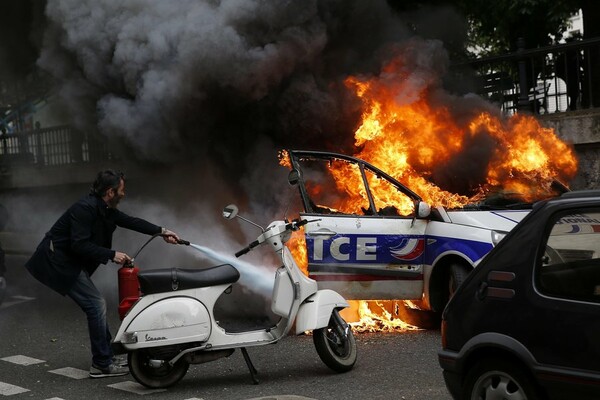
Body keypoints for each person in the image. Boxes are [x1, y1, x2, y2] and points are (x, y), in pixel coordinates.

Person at [25, 170, 181, 378]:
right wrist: (111, 254)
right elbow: (79, 244)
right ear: (110, 192)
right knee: (96, 304)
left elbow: (131, 221)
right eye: (122, 190)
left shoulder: (104, 209)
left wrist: (162, 231)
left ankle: (106, 355)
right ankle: (101, 363)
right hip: (58, 262)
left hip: (69, 262)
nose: (124, 194)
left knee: (95, 305)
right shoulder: (84, 209)